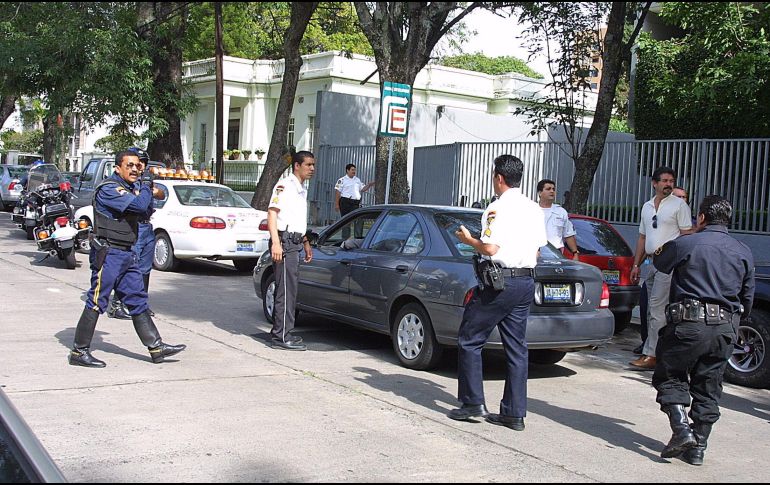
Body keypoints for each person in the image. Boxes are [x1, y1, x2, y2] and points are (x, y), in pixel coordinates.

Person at [651, 195, 754, 464]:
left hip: (688, 325)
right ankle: (698, 448)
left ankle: (681, 430)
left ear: (701, 217)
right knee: (709, 385)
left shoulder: (687, 243)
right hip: (724, 328)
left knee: (670, 376)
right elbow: (747, 299)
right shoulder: (743, 250)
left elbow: (660, 262)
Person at [447, 154, 546, 431]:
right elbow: (537, 250)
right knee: (516, 347)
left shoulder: (496, 209)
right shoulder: (534, 208)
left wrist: (468, 240)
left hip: (499, 283)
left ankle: (472, 403)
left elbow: (490, 249)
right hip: (526, 281)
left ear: (499, 178)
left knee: (469, 338)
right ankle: (514, 413)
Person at [67, 151, 186, 368]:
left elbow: (146, 210)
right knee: (97, 300)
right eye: (129, 165)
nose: (134, 169)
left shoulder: (132, 189)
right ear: (117, 168)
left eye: (138, 166)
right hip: (109, 254)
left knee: (137, 299)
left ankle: (156, 346)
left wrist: (146, 189)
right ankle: (79, 351)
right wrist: (147, 184)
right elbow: (140, 206)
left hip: (126, 253)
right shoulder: (110, 189)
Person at [629, 166, 693, 370]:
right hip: (652, 263)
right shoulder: (647, 206)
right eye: (664, 181)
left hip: (668, 264)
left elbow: (687, 235)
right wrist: (636, 264)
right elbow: (642, 237)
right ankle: (652, 350)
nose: (668, 184)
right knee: (651, 309)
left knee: (657, 309)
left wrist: (676, 260)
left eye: (671, 181)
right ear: (654, 183)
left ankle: (652, 355)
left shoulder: (679, 206)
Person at [267, 151, 316, 351]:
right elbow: (272, 214)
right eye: (308, 165)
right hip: (285, 242)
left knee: (289, 289)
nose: (312, 169)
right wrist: (276, 243)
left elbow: (294, 219)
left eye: (313, 165)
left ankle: (281, 331)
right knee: (286, 290)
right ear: (297, 165)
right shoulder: (285, 186)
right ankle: (281, 336)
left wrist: (305, 242)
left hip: (294, 241)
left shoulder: (300, 189)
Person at [107, 147, 163, 319]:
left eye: (142, 164)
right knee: (128, 267)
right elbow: (137, 203)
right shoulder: (125, 184)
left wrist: (149, 188)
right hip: (134, 227)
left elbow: (160, 194)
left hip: (147, 227)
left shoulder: (144, 182)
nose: (139, 168)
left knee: (145, 269)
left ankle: (141, 305)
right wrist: (142, 191)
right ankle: (117, 304)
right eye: (137, 164)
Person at [536, 179, 580, 260]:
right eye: (548, 189)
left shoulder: (561, 212)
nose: (552, 191)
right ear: (540, 193)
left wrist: (575, 253)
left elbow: (568, 234)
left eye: (553, 189)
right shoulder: (531, 210)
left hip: (556, 253)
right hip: (535, 252)